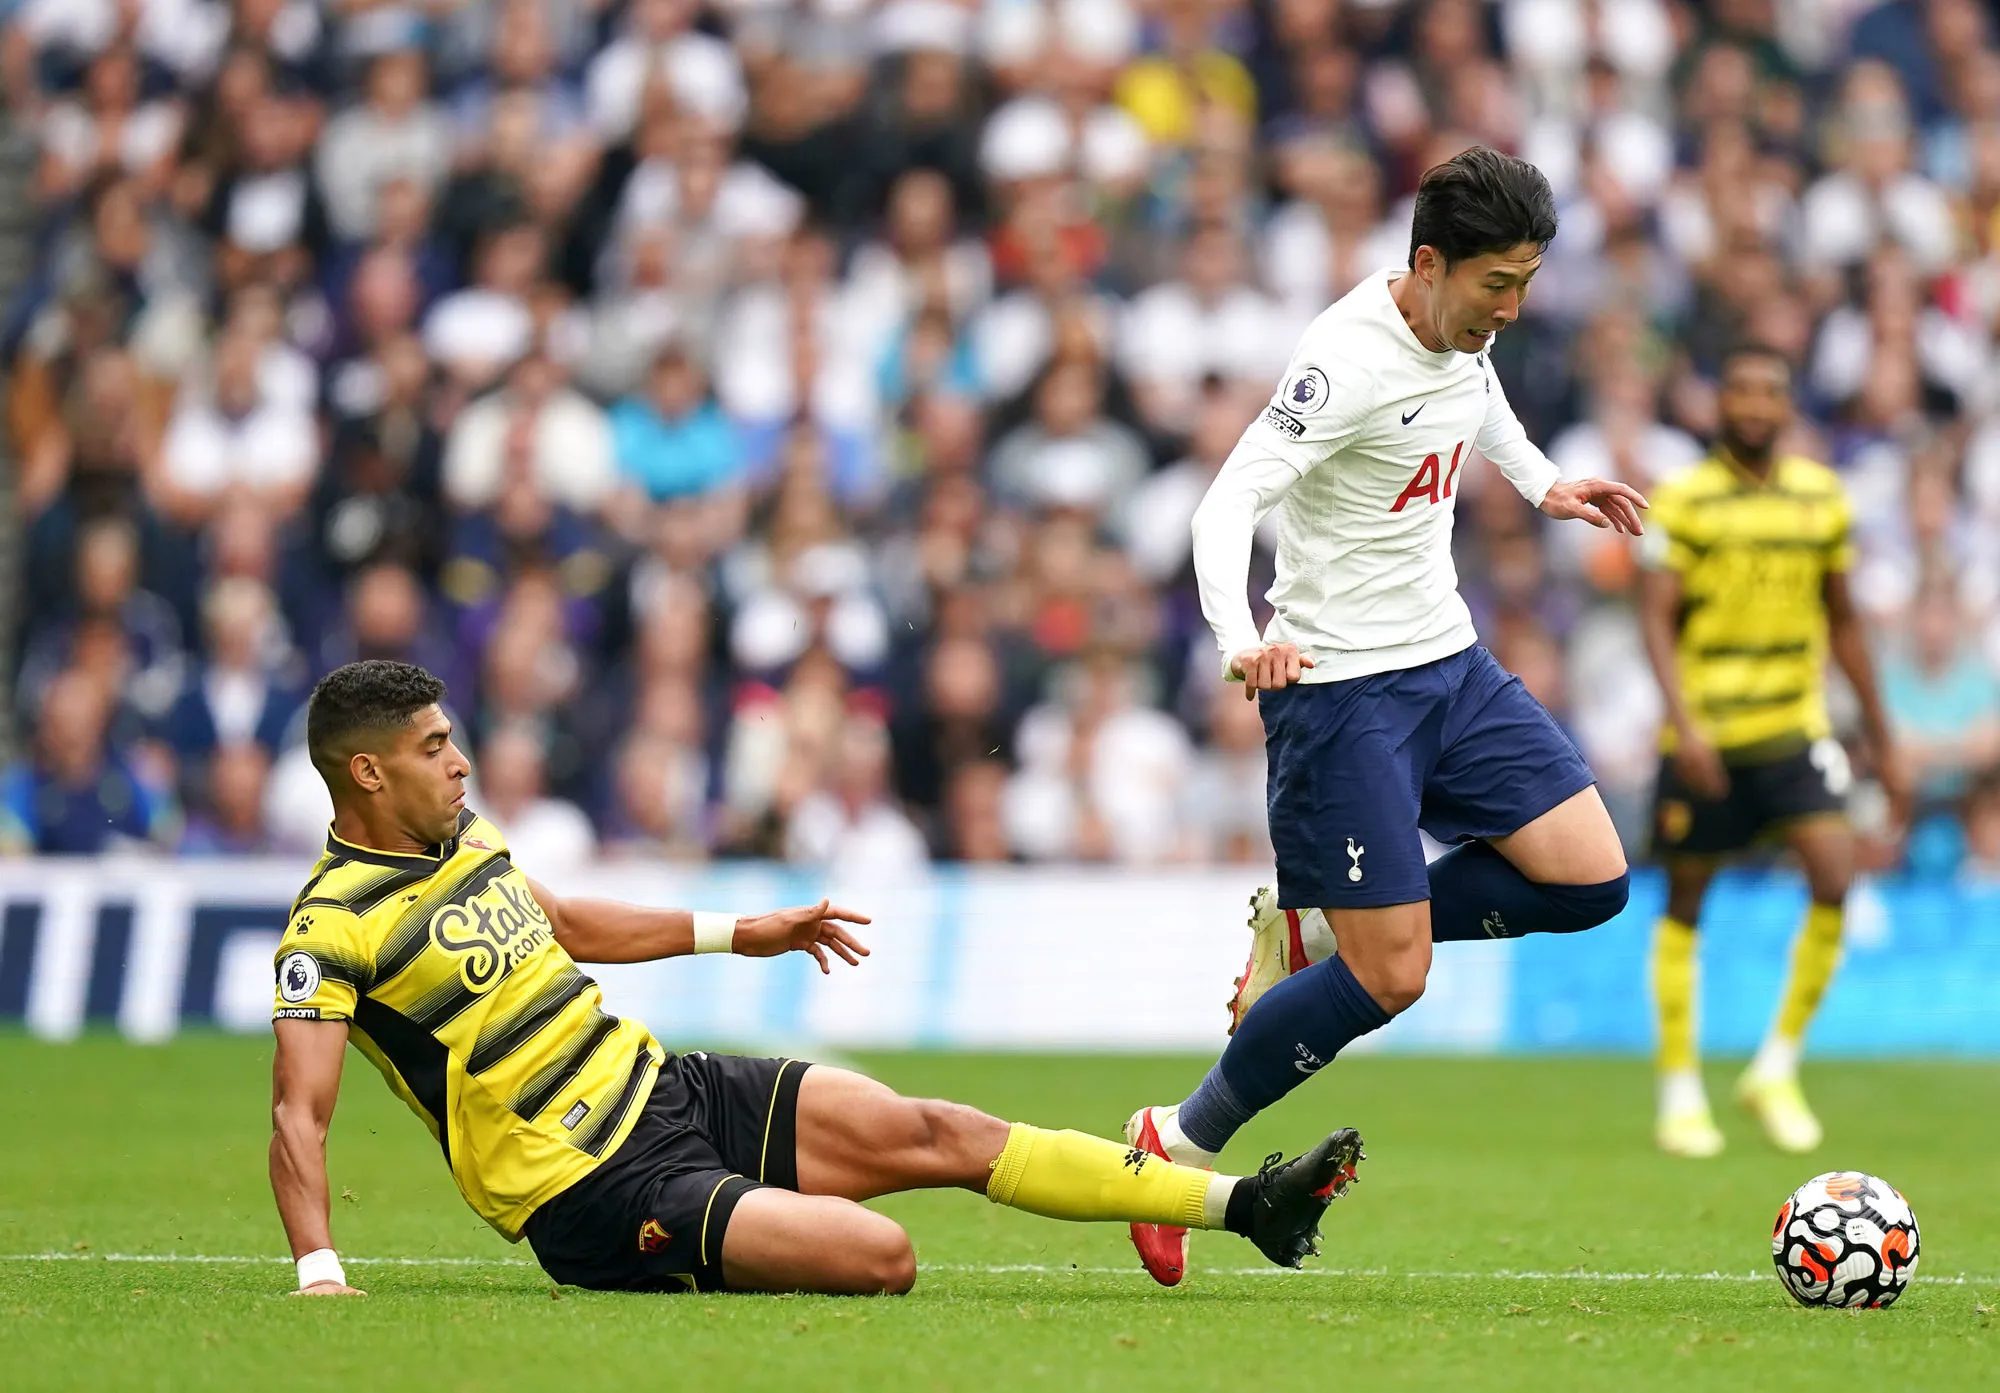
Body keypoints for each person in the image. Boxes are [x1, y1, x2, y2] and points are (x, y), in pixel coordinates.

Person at [268, 660, 1361, 1299]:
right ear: (369, 770)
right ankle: (717, 1228)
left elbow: (559, 922)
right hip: (589, 1189)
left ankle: (1244, 1207)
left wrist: (739, 932)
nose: (460, 762)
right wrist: (320, 1271)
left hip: (666, 1090)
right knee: (881, 1258)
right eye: (434, 747)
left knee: (939, 1129)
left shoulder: (463, 837)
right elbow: (298, 1114)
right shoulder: (332, 929)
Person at [1123, 148, 1648, 1286]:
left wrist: (1541, 480)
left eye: (1523, 282)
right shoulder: (1340, 362)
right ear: (1425, 263)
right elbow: (1228, 500)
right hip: (1339, 695)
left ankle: (1314, 934)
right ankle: (1175, 1144)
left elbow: (1474, 399)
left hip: (1448, 668)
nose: (1509, 308)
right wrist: (1235, 638)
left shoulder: (1465, 332)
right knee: (1393, 976)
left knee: (1590, 879)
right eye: (1494, 285)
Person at [1636, 344, 1907, 1158]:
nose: (1755, 404)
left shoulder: (1822, 500)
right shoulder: (1684, 501)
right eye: (1742, 389)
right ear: (1721, 401)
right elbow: (1655, 618)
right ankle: (1680, 1088)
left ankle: (1776, 1064)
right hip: (1707, 738)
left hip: (1795, 726)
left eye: (1770, 393)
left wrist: (1884, 737)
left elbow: (1847, 620)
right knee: (1687, 901)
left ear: (1787, 407)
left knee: (1835, 871)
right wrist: (1685, 726)